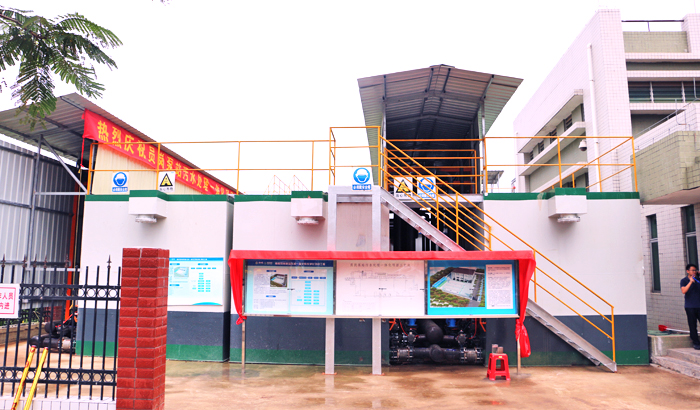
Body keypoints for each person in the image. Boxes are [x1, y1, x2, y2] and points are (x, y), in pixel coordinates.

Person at [680, 263, 700, 349]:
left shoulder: (698, 280)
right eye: (692, 270)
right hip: (690, 306)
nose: (694, 272)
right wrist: (691, 282)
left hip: (699, 306)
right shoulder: (684, 280)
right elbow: (683, 291)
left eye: (695, 270)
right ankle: (696, 343)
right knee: (692, 325)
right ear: (688, 271)